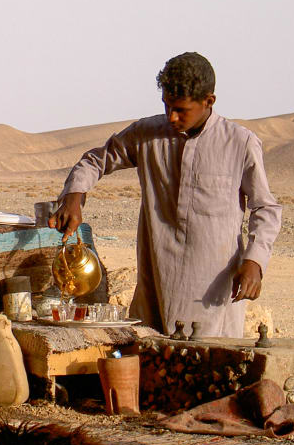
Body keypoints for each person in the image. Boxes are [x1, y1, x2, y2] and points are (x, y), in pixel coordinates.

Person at [49, 52, 281, 338]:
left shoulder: (240, 143)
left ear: (209, 101)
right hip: (155, 283)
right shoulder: (147, 134)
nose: (171, 116)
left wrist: (254, 261)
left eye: (181, 109)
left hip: (212, 293)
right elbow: (95, 160)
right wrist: (75, 194)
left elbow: (265, 209)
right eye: (167, 106)